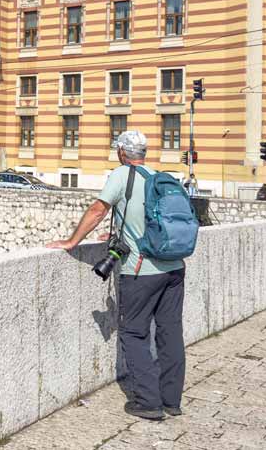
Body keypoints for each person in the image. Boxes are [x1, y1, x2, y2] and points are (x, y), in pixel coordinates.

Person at [46, 130, 185, 421]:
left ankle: (148, 402)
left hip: (141, 270)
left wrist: (72, 242)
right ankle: (171, 400)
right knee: (170, 332)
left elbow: (98, 210)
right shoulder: (157, 176)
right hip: (174, 268)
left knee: (134, 332)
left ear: (122, 152)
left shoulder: (122, 175)